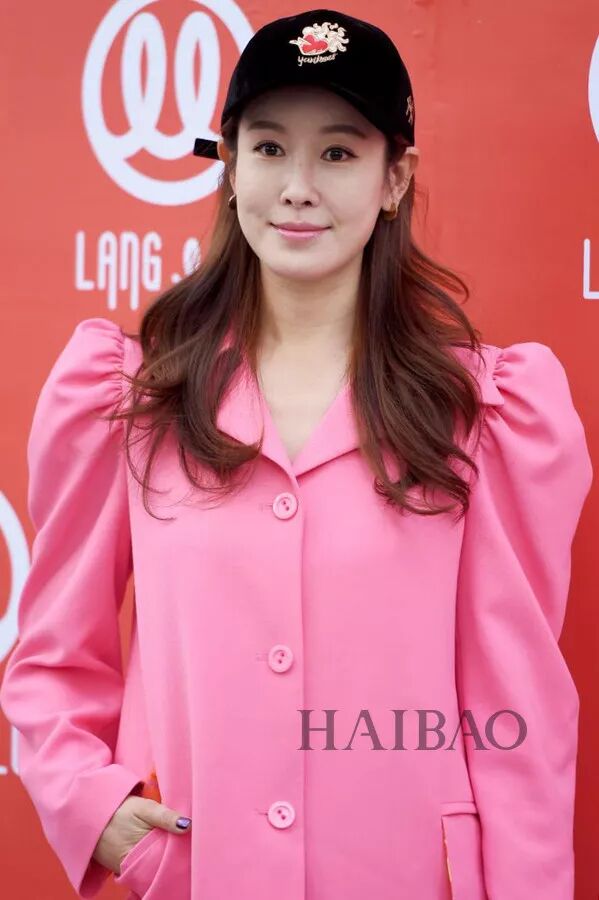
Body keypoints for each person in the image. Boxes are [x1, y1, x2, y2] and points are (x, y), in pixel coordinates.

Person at [0, 7, 593, 899]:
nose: (297, 187)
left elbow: (516, 712)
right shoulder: (133, 395)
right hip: (200, 873)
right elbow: (54, 657)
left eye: (339, 153)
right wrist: (93, 805)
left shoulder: (483, 411)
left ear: (395, 178)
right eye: (269, 148)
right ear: (230, 167)